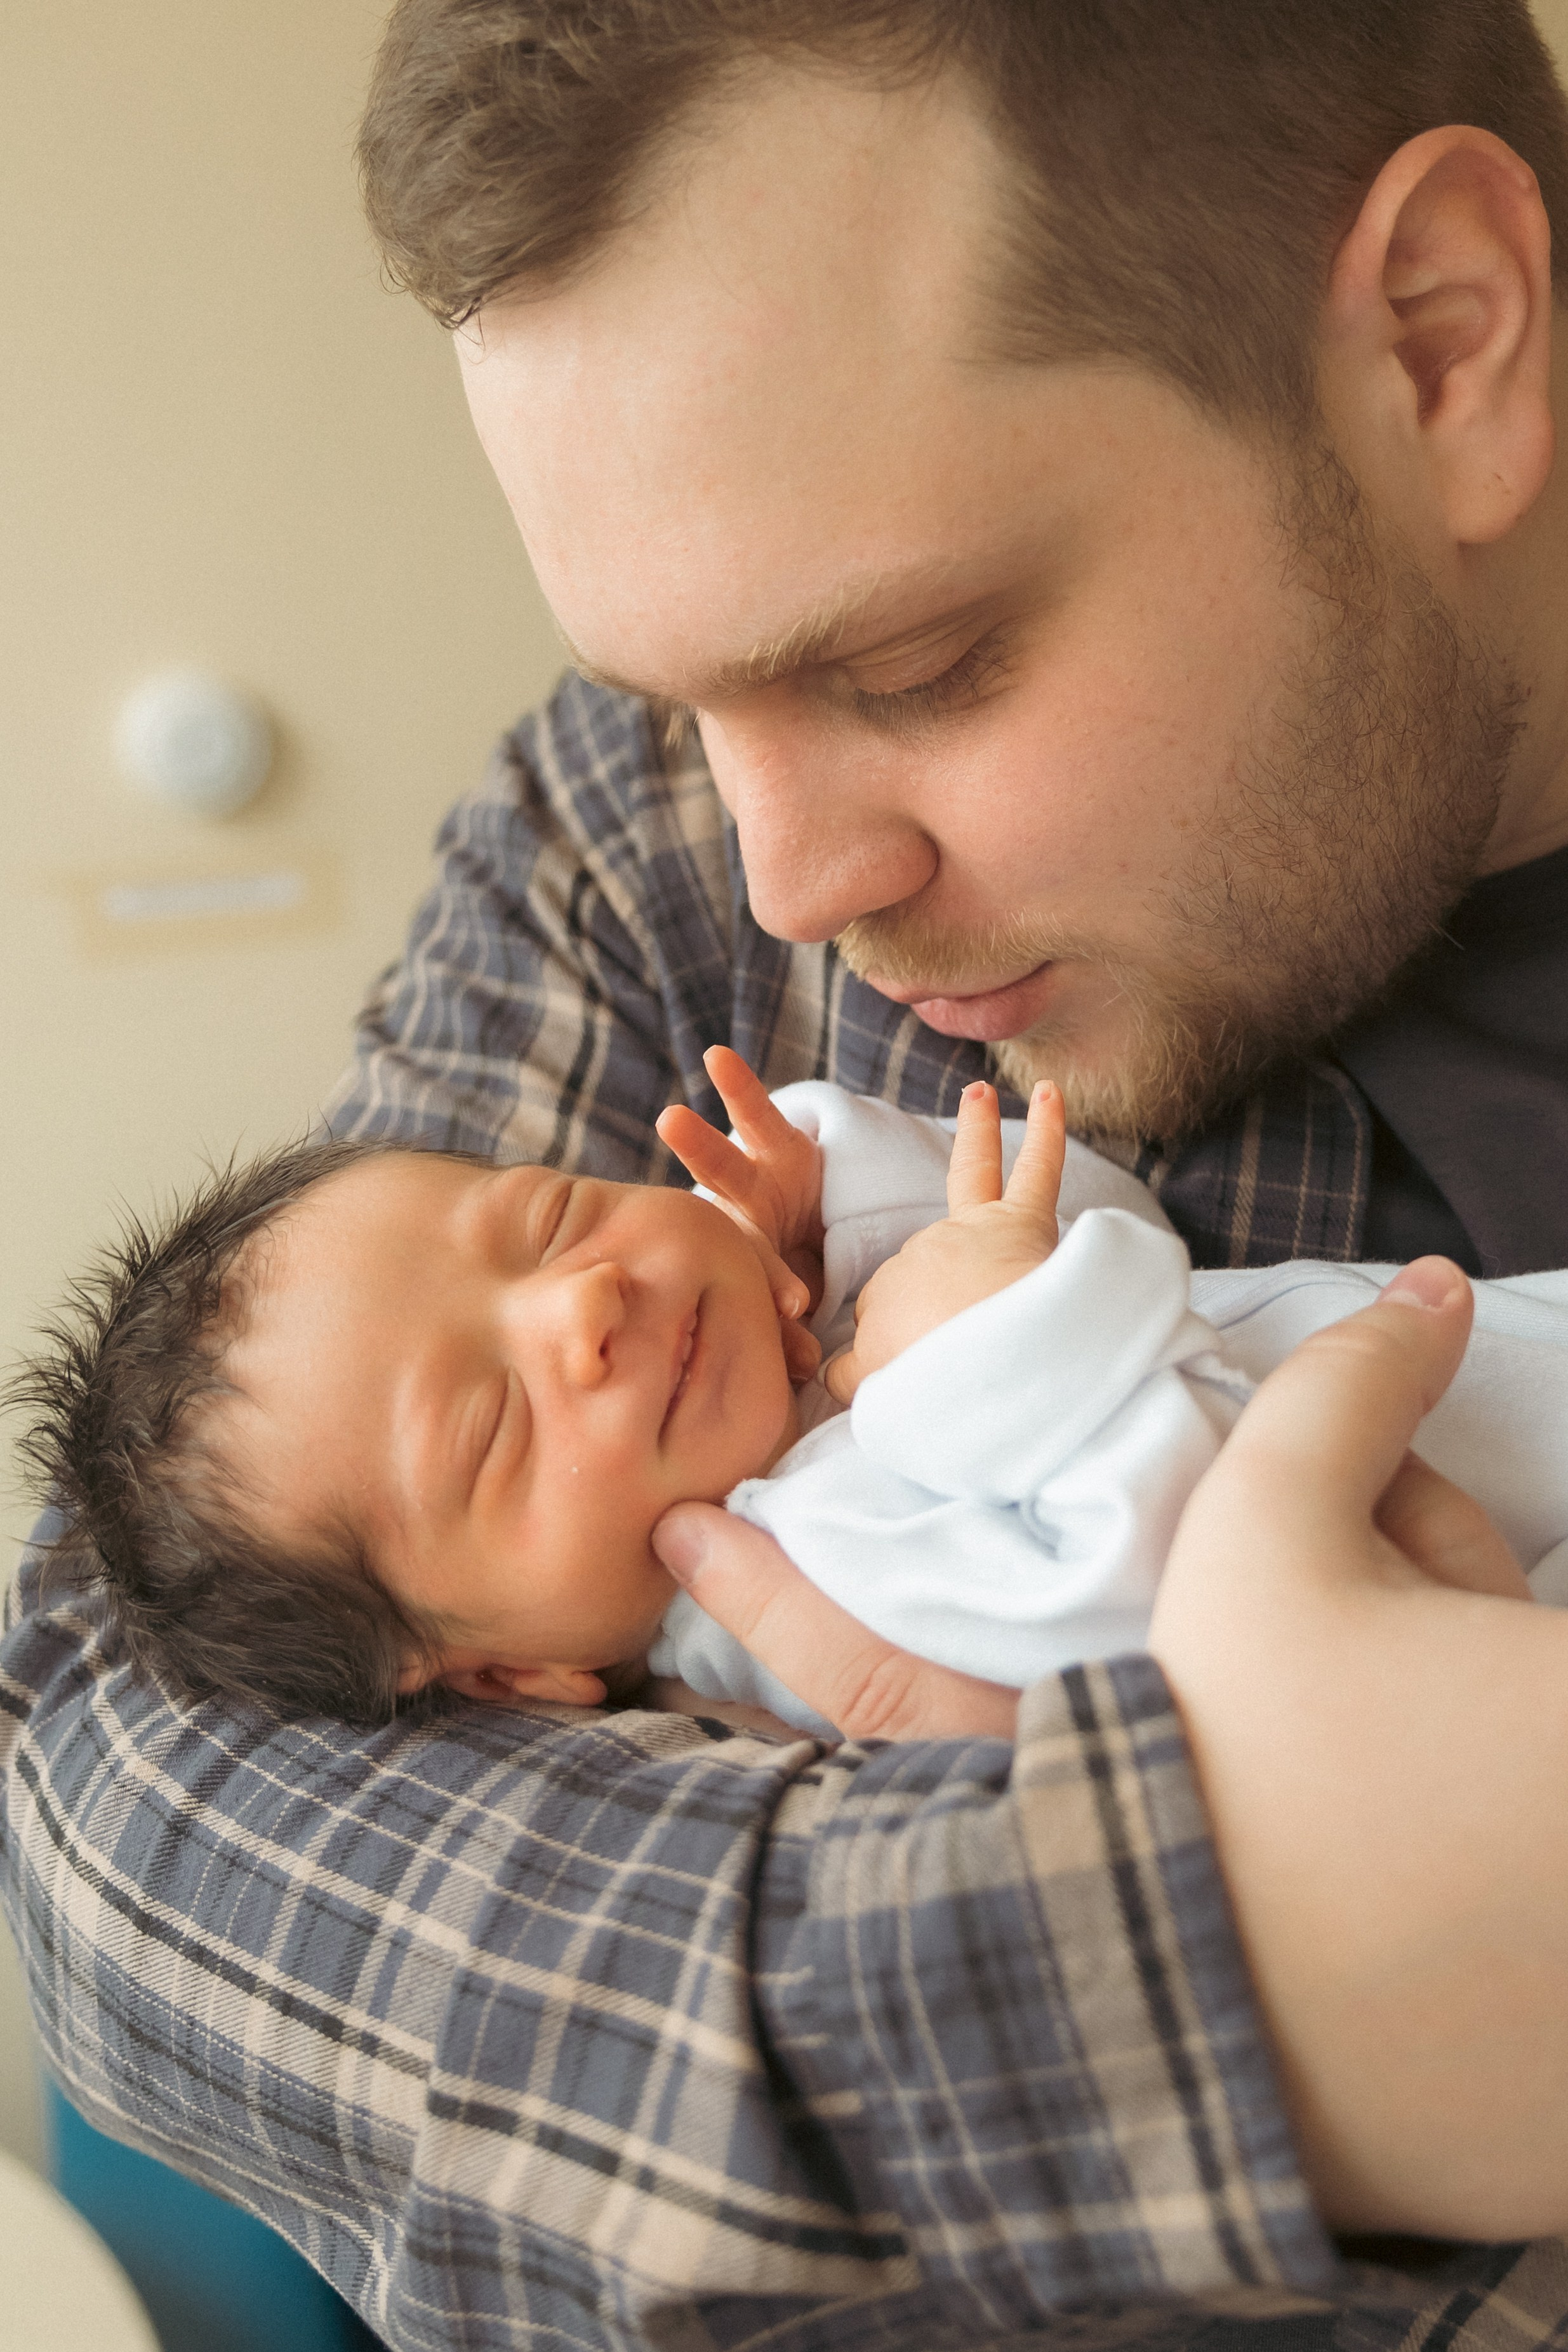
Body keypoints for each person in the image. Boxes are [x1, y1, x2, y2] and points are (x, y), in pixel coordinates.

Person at [7, 1, 1568, 2345]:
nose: (793, 876)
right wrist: (1248, 1978)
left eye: (918, 660)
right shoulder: (630, 844)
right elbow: (122, 1754)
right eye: (674, 698)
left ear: (1445, 348)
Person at [18, 1056, 1564, 1746]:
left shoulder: (823, 1384)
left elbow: (1130, 1245)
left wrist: (871, 1222)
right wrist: (980, 1351)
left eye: (551, 1217)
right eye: (493, 1430)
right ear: (506, 1674)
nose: (585, 1304)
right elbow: (1167, 1612)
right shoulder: (801, 1576)